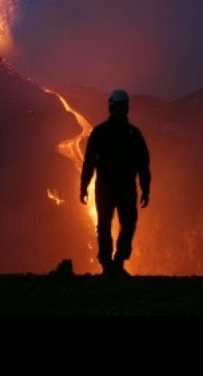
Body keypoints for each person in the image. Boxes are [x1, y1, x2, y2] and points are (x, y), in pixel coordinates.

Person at [80, 89, 151, 276]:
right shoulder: (133, 134)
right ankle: (116, 263)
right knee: (125, 224)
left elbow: (89, 162)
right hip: (123, 189)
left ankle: (109, 263)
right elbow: (143, 163)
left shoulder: (100, 132)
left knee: (106, 225)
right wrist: (145, 188)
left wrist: (84, 187)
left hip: (107, 189)